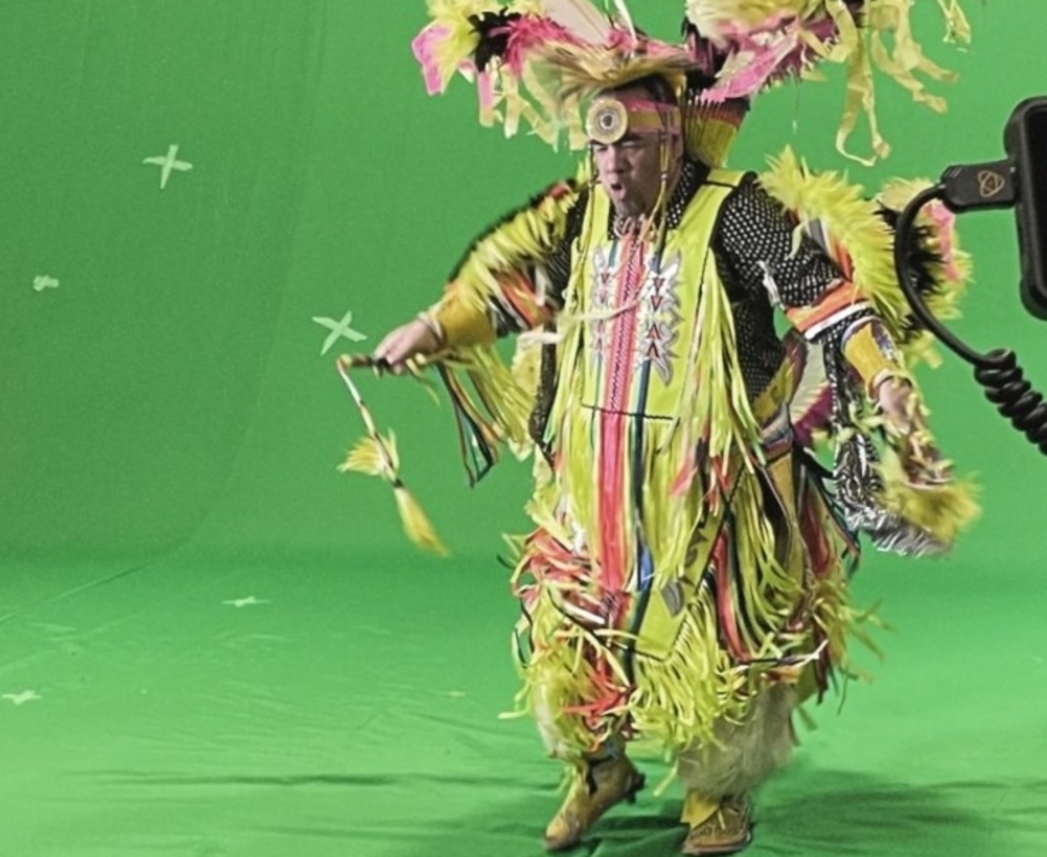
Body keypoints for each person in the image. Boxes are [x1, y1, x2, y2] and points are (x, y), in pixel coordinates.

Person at [363, 5, 978, 854]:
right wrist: (434, 328)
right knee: (571, 626)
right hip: (593, 479)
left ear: (674, 142)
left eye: (633, 149)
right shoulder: (578, 214)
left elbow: (825, 302)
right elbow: (514, 294)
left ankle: (716, 793)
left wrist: (888, 380)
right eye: (601, 151)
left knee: (721, 637)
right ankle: (597, 767)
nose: (614, 168)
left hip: (713, 484)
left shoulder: (737, 213)